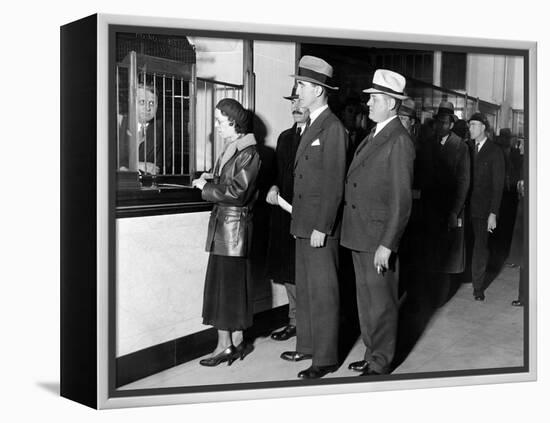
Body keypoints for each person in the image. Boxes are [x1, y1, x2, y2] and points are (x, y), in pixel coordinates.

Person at [340, 69, 415, 375]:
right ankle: (372, 352)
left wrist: (388, 243)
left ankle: (381, 362)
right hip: (360, 233)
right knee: (366, 301)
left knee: (381, 304)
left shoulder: (398, 140)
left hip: (377, 237)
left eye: (374, 99)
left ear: (390, 104)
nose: (368, 104)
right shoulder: (376, 133)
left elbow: (402, 200)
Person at [280, 55, 347, 379]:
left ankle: (326, 356)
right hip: (304, 224)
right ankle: (306, 345)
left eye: (303, 85)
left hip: (319, 227)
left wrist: (323, 226)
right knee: (306, 290)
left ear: (319, 90)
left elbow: (334, 182)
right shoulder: (312, 124)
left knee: (323, 293)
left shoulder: (332, 127)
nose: (298, 90)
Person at [192, 98, 261, 366]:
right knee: (226, 287)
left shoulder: (249, 153)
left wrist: (205, 189)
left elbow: (237, 193)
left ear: (234, 123)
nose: (218, 127)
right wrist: (211, 178)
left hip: (234, 231)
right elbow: (229, 181)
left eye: (221, 122)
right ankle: (235, 341)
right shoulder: (234, 149)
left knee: (226, 289)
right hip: (226, 229)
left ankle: (225, 347)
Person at [265, 87, 310, 341]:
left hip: (308, 216)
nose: (296, 107)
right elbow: (277, 174)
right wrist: (273, 186)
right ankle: (295, 320)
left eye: (301, 101)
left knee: (305, 272)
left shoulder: (320, 135)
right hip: (285, 213)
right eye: (293, 101)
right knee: (290, 271)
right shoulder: (284, 138)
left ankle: (307, 323)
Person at [419, 101, 470, 307]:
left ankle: (441, 296)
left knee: (447, 255)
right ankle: (430, 294)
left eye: (444, 122)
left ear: (451, 124)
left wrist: (455, 212)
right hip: (430, 207)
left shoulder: (460, 147)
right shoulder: (429, 143)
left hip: (449, 209)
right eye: (438, 122)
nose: (440, 126)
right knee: (430, 252)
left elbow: (464, 182)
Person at [466, 112, 505, 301]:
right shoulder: (467, 148)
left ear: (483, 127)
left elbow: (498, 186)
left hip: (483, 210)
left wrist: (493, 213)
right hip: (467, 208)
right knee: (467, 245)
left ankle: (478, 287)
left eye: (474, 125)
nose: (470, 128)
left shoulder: (494, 151)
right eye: (470, 124)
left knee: (480, 248)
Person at [118, 83, 172, 174]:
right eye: (142, 102)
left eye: (151, 103)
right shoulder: (119, 123)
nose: (147, 108)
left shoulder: (164, 129)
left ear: (157, 105)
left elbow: (161, 166)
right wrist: (137, 165)